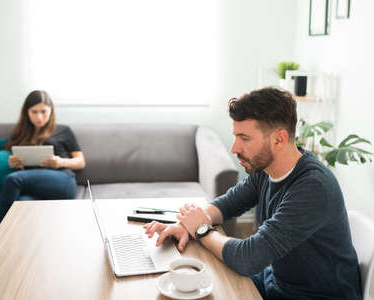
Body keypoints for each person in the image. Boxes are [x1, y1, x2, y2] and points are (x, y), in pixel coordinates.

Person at [144, 87, 362, 299]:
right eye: (235, 136)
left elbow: (248, 257)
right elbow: (229, 203)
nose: (234, 148)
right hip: (276, 283)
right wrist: (185, 225)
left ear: (279, 139)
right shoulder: (266, 169)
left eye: (244, 138)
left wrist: (200, 230)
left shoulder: (313, 188)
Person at [0, 90, 86, 269]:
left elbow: (80, 162)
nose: (39, 117)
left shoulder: (63, 130)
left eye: (43, 111)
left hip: (62, 180)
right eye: (34, 112)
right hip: (33, 184)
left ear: (51, 110)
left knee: (13, 180)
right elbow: (23, 169)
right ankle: (17, 264)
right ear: (27, 112)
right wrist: (15, 163)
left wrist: (60, 161)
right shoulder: (21, 134)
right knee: (20, 204)